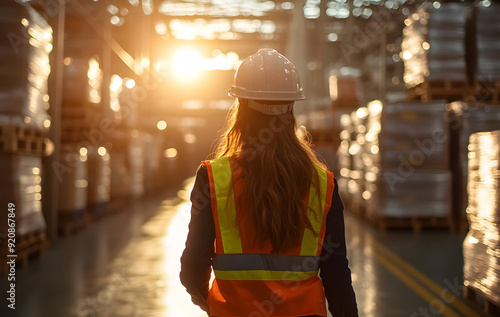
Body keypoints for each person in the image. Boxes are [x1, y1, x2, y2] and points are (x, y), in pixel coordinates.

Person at [180, 48, 358, 317]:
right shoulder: (323, 184)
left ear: (241, 110)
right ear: (291, 110)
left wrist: (215, 304)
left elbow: (193, 269)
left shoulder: (214, 178)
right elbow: (337, 278)